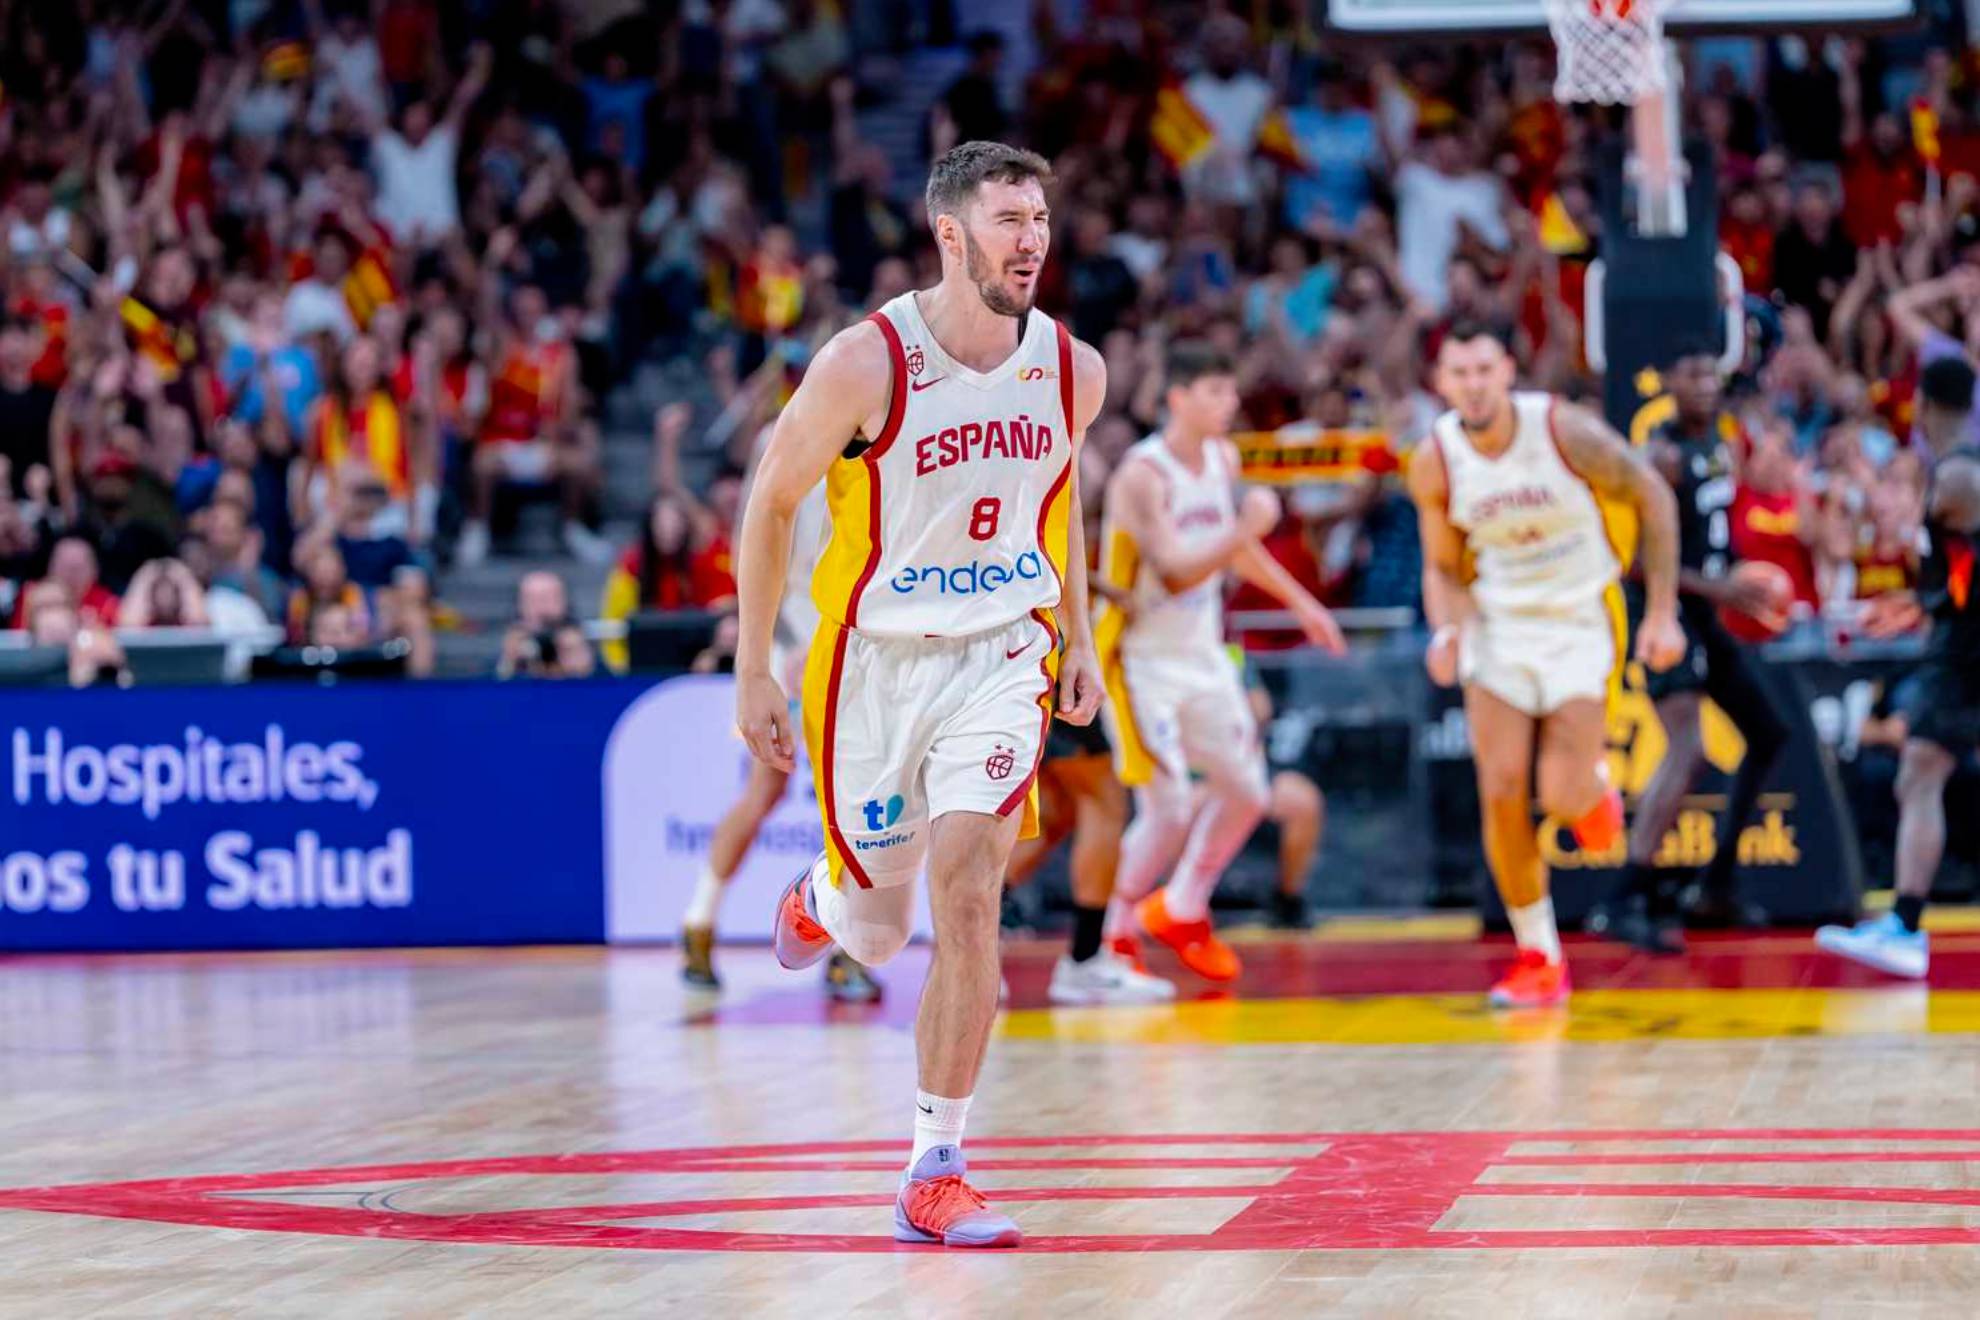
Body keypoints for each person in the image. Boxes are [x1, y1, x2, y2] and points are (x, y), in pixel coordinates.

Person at [734, 141, 1106, 1249]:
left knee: (971, 892)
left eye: (1038, 217)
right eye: (1008, 219)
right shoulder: (867, 361)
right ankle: (828, 894)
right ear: (952, 234)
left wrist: (1078, 633)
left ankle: (935, 1163)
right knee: (884, 931)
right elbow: (770, 500)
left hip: (1003, 652)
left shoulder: (1071, 366)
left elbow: (1060, 493)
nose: (1030, 238)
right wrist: (754, 663)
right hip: (873, 663)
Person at [1408, 323, 1684, 1009]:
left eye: (1483, 369)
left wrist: (1662, 611)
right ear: (1441, 382)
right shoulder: (1434, 459)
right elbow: (1442, 566)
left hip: (1581, 615)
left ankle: (1592, 791)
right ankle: (1540, 955)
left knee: (1561, 800)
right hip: (1498, 622)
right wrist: (1446, 630)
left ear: (1508, 371)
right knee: (1501, 791)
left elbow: (1653, 493)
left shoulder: (1566, 432)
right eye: (1458, 373)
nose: (1472, 384)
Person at [1097, 341, 1345, 984]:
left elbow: (1233, 555)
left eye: (1230, 392)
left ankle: (1181, 905)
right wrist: (1246, 528)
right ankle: (1112, 937)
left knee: (1248, 792)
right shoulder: (1142, 474)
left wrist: (1303, 605)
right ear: (1177, 398)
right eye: (1215, 392)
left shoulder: (1223, 457)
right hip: (1137, 659)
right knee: (1168, 807)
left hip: (1202, 653)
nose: (1230, 403)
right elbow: (1178, 572)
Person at [1598, 347, 1794, 953]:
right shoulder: (1659, 455)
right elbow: (1632, 561)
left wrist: (1745, 584)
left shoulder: (1722, 442)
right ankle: (1624, 898)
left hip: (1708, 610)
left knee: (1768, 733)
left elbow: (1711, 537)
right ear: (1667, 382)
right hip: (1664, 611)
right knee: (1687, 749)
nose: (1705, 383)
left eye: (1711, 372)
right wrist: (1720, 586)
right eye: (1691, 373)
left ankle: (1714, 886)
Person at [679, 434, 880, 1005]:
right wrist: (770, 650)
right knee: (794, 797)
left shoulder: (884, 421)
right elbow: (756, 544)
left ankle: (705, 925)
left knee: (830, 802)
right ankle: (705, 923)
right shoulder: (791, 436)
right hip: (801, 651)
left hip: (852, 647)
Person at [1817, 357, 1980, 978]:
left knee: (1919, 775)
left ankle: (1906, 926)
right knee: (1919, 772)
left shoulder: (1959, 474)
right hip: (1960, 642)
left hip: (1965, 652)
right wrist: (1923, 599)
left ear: (1920, 406)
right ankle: (1904, 923)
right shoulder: (1956, 468)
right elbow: (1962, 569)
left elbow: (1956, 561)